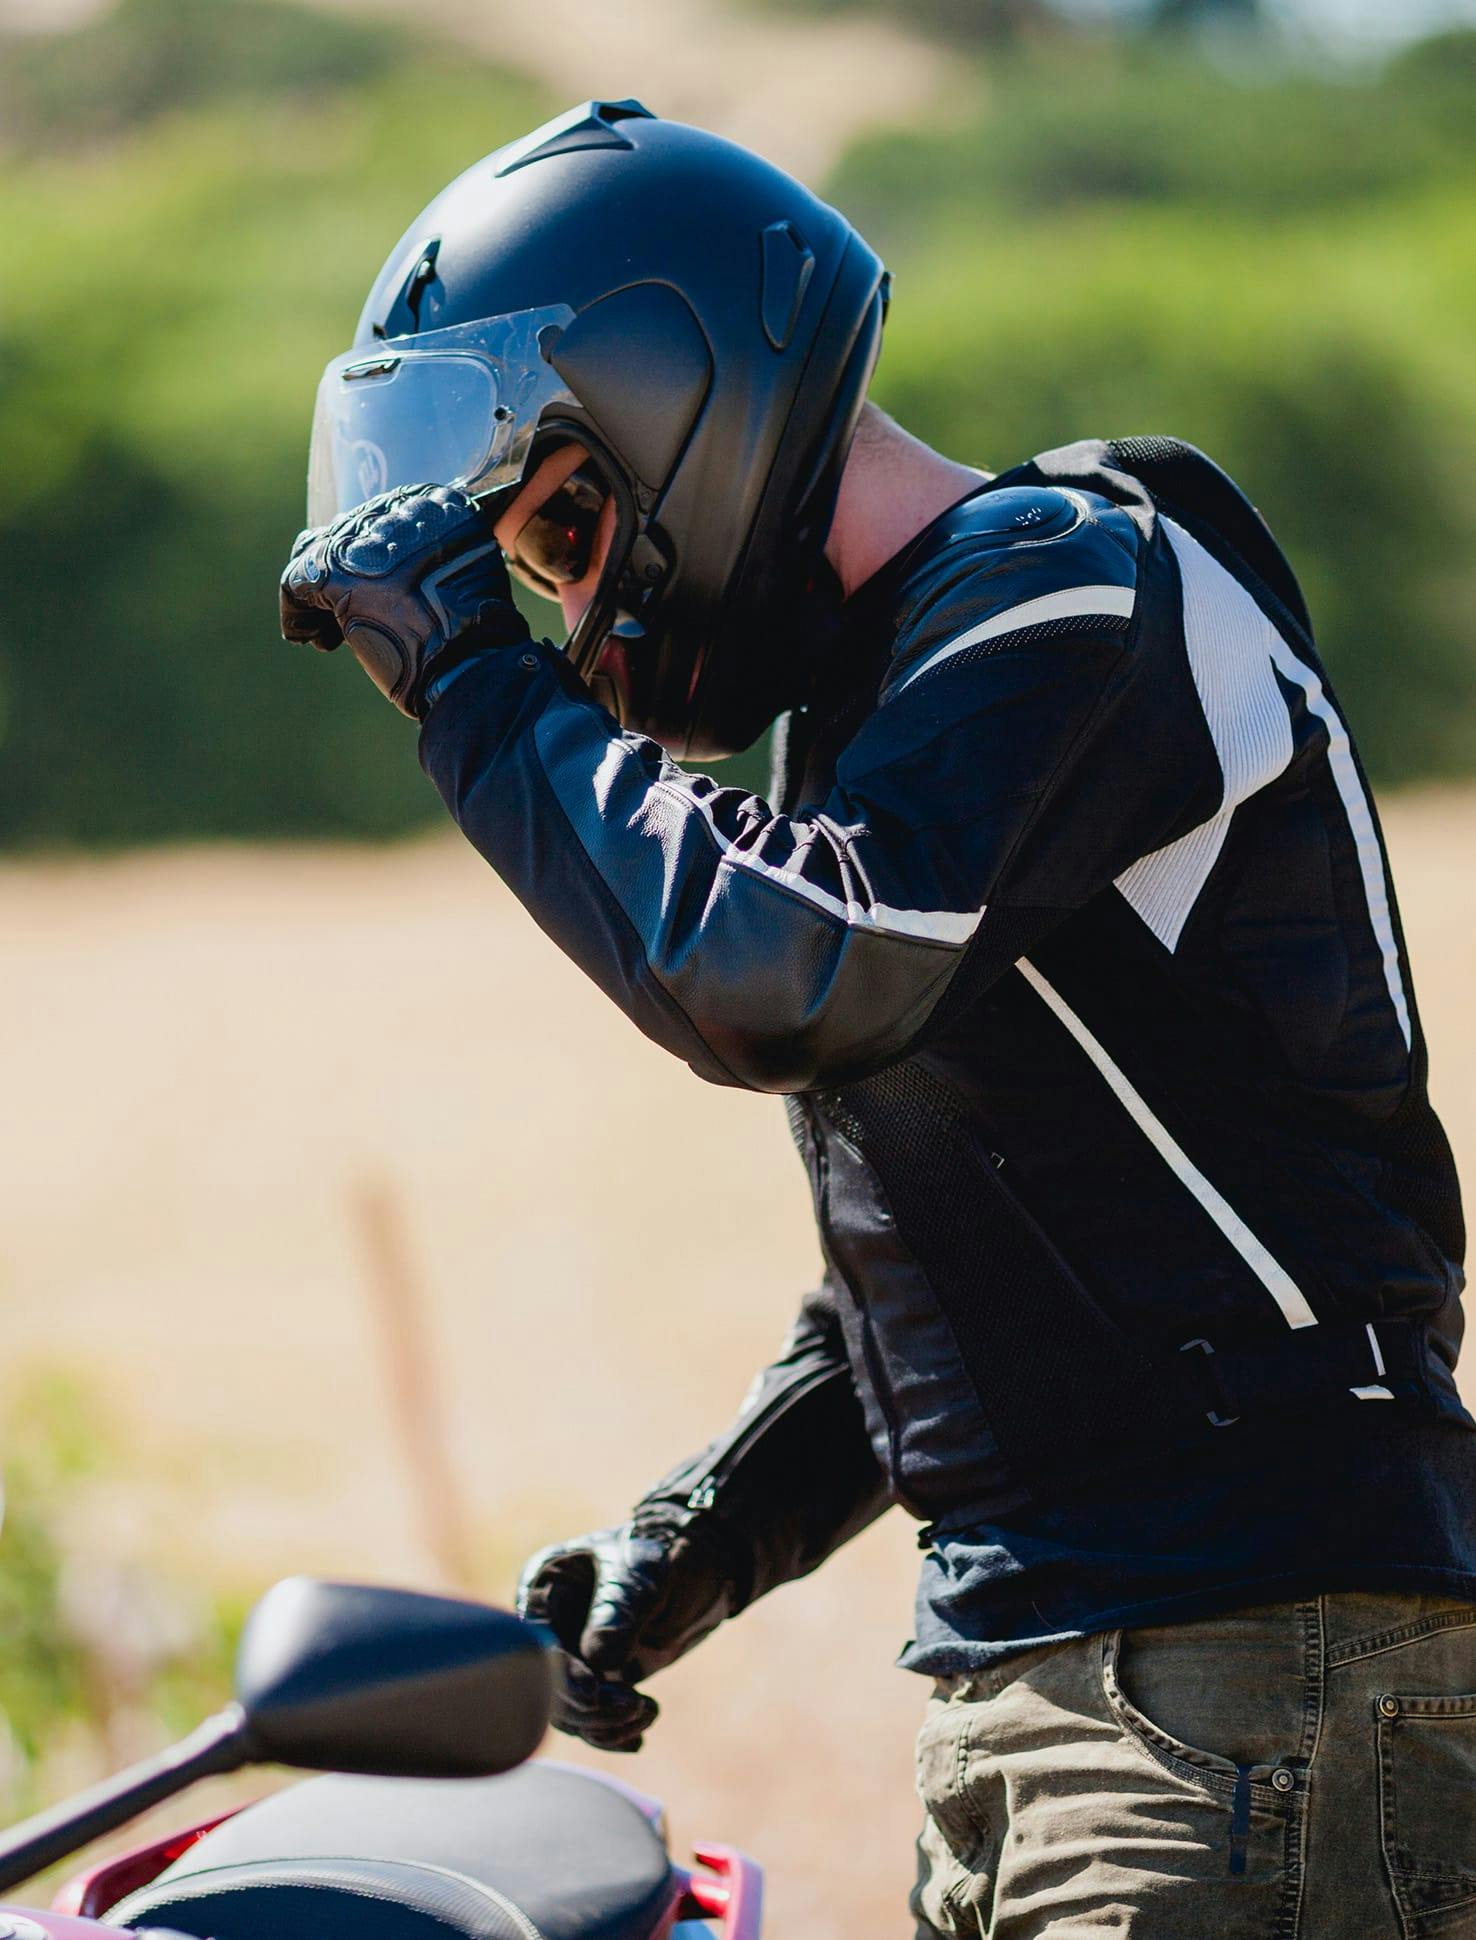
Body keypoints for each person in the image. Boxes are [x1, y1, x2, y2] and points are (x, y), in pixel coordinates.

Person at [280, 100, 1476, 1939]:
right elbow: (1004, 1277)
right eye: (536, 569)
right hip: (1082, 1682)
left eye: (572, 529)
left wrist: (473, 690)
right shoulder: (892, 731)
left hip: (1255, 1674)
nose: (577, 617)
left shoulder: (1070, 577)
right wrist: (699, 1534)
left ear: (697, 407)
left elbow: (778, 976)